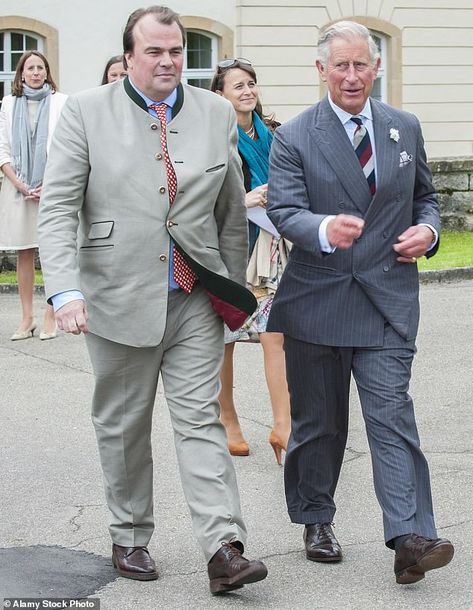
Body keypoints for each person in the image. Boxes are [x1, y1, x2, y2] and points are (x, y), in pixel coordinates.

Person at [38, 5, 267, 595]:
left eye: (177, 51)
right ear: (131, 54)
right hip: (115, 297)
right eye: (155, 52)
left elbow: (229, 213)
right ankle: (131, 535)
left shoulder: (215, 112)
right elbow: (60, 207)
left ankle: (224, 546)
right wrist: (64, 290)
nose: (169, 62)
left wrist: (231, 293)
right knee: (123, 426)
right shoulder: (86, 112)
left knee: (200, 420)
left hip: (193, 296)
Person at [266, 20, 454, 584]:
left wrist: (430, 232)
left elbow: (426, 198)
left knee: (392, 417)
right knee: (318, 423)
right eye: (340, 66)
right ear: (321, 70)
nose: (352, 76)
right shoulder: (295, 135)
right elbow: (283, 209)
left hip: (387, 300)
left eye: (361, 65)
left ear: (376, 67)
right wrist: (324, 228)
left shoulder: (403, 127)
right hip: (317, 298)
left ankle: (410, 536)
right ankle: (316, 516)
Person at [210, 59, 291, 464]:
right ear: (220, 93)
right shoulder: (212, 137)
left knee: (275, 335)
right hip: (230, 251)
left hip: (271, 248)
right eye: (238, 85)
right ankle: (228, 418)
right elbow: (200, 198)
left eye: (251, 84)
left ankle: (284, 426)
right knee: (225, 340)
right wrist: (242, 203)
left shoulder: (274, 135)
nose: (247, 91)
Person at [0, 51, 67, 341]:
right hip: (18, 187)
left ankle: (50, 314)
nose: (36, 72)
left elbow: (66, 147)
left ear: (47, 72)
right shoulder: (8, 103)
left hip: (50, 187)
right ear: (21, 73)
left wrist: (47, 183)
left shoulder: (60, 102)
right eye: (31, 68)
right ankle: (26, 317)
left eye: (41, 67)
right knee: (23, 252)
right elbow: (2, 148)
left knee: (51, 250)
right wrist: (19, 183)